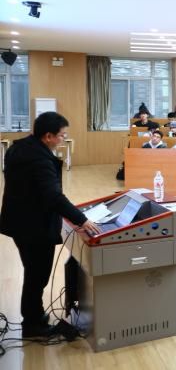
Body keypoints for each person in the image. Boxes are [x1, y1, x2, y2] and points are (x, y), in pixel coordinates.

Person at [0, 112, 101, 338]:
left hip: (19, 221)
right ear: (48, 136)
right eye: (62, 135)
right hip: (33, 226)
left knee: (33, 271)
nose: (63, 139)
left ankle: (34, 316)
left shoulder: (19, 148)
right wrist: (82, 220)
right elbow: (54, 197)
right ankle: (32, 324)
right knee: (37, 274)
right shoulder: (40, 160)